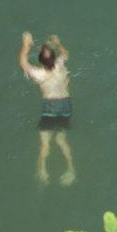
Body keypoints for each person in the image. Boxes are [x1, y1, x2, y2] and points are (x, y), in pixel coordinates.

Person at [19, 31, 74, 185]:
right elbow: (65, 53)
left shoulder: (39, 74)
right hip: (65, 104)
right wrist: (57, 43)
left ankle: (43, 171)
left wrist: (26, 44)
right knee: (61, 139)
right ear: (54, 59)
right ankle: (71, 170)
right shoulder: (61, 64)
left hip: (50, 106)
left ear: (41, 62)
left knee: (45, 143)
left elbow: (23, 63)